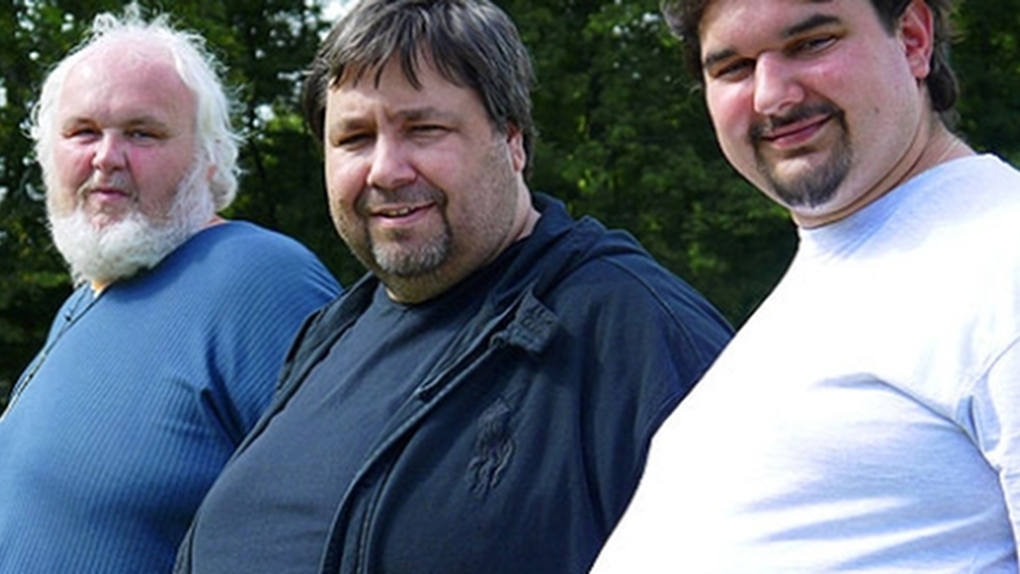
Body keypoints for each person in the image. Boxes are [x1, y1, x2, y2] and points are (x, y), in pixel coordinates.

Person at [172, 0, 732, 572]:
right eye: (355, 138)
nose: (385, 170)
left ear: (512, 140)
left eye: (424, 129)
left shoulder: (634, 332)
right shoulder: (331, 332)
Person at [593, 0, 1020, 571]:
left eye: (812, 43)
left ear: (913, 39)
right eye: (734, 68)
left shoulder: (1001, 255)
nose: (772, 96)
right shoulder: (823, 287)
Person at [0, 7, 341, 573]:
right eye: (82, 132)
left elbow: (346, 524)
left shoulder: (259, 280)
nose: (105, 158)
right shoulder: (83, 304)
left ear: (209, 157)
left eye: (142, 133)